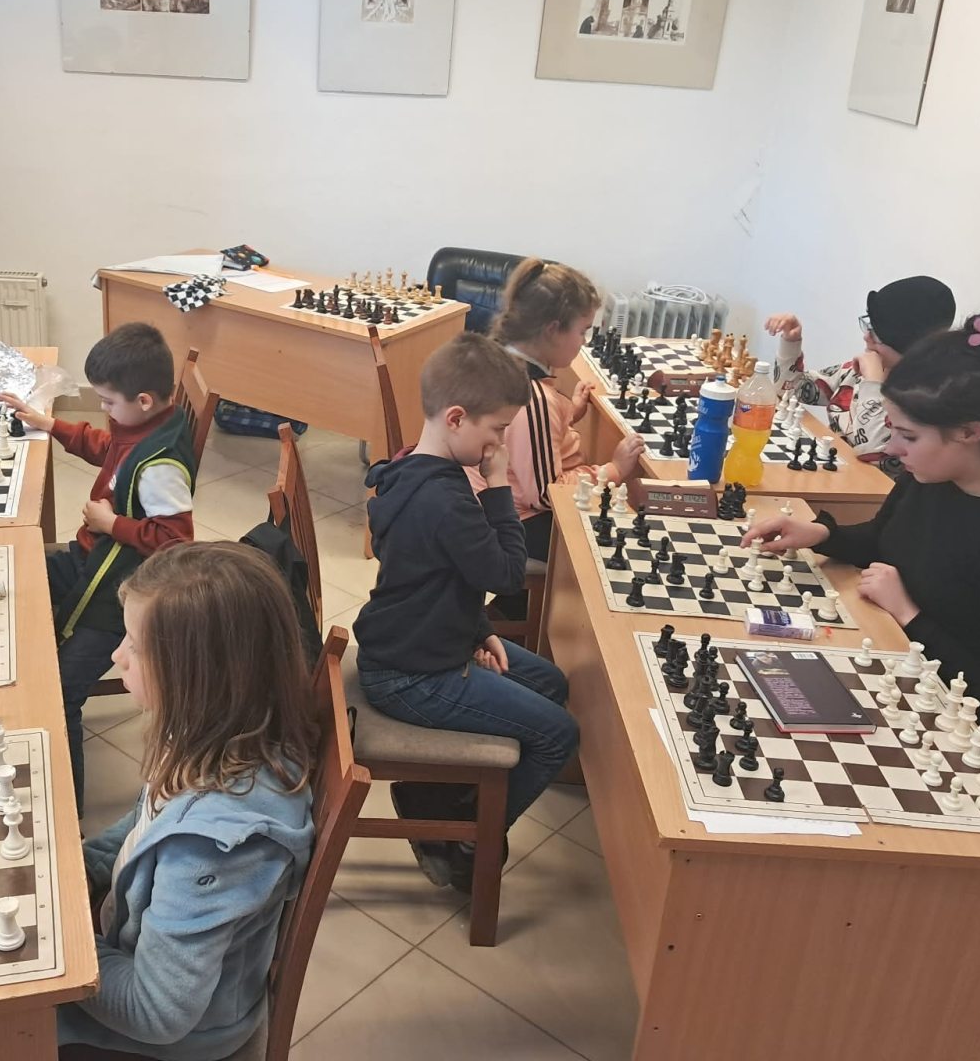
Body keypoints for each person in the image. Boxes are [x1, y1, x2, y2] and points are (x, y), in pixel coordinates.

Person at [743, 308, 980, 921]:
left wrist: (910, 613)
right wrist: (821, 532)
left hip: (957, 736)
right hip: (894, 665)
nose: (891, 448)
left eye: (907, 437)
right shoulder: (930, 477)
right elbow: (888, 541)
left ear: (968, 433)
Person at [56, 542, 315, 1060]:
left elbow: (157, 1013)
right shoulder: (219, 732)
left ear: (195, 675)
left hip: (169, 1037)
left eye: (134, 646)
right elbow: (145, 821)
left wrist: (61, 941)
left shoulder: (212, 849)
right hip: (126, 949)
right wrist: (80, 866)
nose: (116, 657)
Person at [355, 333, 579, 891]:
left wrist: (479, 629)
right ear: (456, 418)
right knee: (559, 735)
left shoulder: (416, 468)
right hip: (412, 673)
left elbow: (439, 575)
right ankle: (470, 839)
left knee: (551, 682)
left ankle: (441, 797)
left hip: (420, 640)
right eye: (497, 429)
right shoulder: (447, 497)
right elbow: (505, 573)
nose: (500, 442)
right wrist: (499, 485)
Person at [0, 322, 195, 814]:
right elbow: (108, 449)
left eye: (107, 402)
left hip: (121, 595)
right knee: (18, 577)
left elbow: (176, 542)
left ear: (144, 401)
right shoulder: (142, 426)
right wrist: (50, 425)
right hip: (93, 561)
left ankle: (65, 813)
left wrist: (113, 524)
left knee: (61, 693)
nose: (102, 410)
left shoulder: (161, 467)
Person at [474, 257, 645, 565]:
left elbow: (523, 437)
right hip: (516, 523)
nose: (584, 342)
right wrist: (614, 470)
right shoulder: (531, 397)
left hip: (489, 504)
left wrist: (568, 414)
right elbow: (546, 494)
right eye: (582, 331)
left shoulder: (495, 358)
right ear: (553, 330)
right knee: (624, 546)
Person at [763, 275, 956, 478]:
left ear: (905, 344)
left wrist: (873, 384)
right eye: (868, 325)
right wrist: (791, 342)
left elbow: (875, 455)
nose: (866, 336)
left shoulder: (925, 397)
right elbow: (791, 391)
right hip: (831, 477)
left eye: (876, 333)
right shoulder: (857, 372)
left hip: (868, 491)